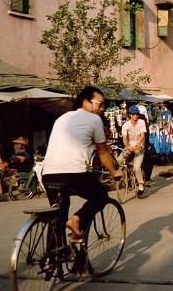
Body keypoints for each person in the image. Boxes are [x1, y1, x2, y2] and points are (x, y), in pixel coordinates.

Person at [42, 86, 123, 240]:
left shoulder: (62, 118)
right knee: (100, 196)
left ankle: (53, 260)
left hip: (48, 174)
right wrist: (114, 172)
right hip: (73, 174)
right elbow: (103, 151)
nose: (102, 108)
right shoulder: (94, 119)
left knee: (58, 215)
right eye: (99, 104)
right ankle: (76, 220)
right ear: (85, 102)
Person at [117, 105, 147, 198]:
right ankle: (125, 178)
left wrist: (139, 144)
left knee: (137, 167)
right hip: (129, 147)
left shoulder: (141, 122)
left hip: (139, 147)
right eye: (133, 114)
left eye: (136, 114)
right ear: (129, 115)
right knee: (119, 160)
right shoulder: (126, 125)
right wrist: (128, 147)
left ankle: (141, 185)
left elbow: (142, 135)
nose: (135, 116)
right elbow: (125, 139)